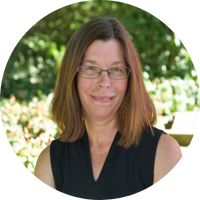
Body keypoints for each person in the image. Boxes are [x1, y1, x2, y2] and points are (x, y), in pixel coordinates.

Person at [33, 17, 184, 199]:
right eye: (90, 68)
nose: (104, 82)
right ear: (72, 77)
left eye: (117, 69)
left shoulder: (163, 152)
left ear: (130, 80)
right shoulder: (50, 161)